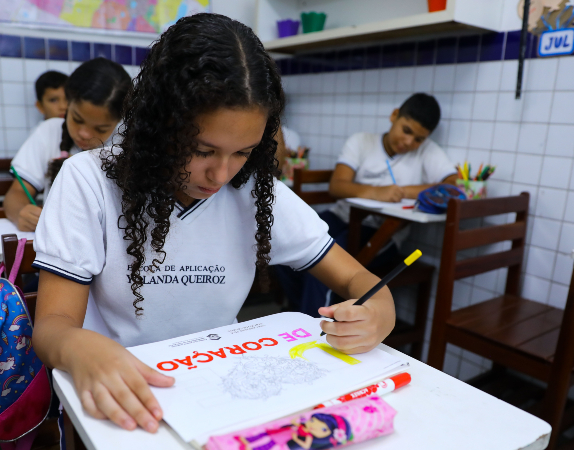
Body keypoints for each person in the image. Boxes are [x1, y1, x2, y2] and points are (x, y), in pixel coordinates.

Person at [30, 13, 396, 434]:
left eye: (243, 152)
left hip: (224, 392)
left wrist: (379, 310)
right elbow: (52, 328)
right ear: (160, 125)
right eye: (202, 150)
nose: (221, 175)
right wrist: (79, 347)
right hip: (123, 391)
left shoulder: (254, 191)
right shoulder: (89, 180)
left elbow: (361, 281)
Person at [276, 93, 458, 318]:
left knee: (324, 263)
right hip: (341, 217)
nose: (409, 142)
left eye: (419, 139)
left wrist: (403, 192)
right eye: (406, 130)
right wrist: (376, 193)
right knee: (289, 247)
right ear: (394, 116)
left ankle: (313, 329)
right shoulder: (362, 141)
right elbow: (337, 186)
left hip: (382, 233)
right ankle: (303, 316)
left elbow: (452, 185)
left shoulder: (427, 151)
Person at [3, 58, 130, 232]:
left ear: (118, 121)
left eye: (101, 128)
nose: (84, 134)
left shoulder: (128, 143)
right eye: (77, 119)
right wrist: (21, 214)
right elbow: (16, 194)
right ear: (68, 102)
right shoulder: (49, 132)